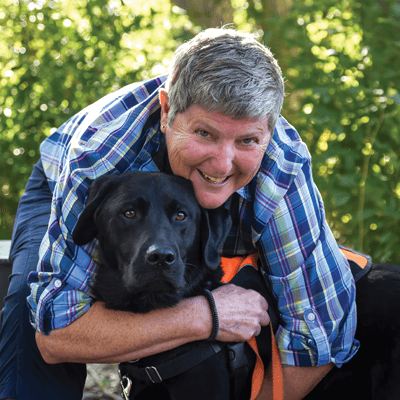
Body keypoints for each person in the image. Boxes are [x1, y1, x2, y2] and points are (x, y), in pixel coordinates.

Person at [0, 27, 358, 400]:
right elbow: (55, 332)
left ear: (268, 132)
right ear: (168, 110)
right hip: (65, 183)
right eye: (205, 133)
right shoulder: (98, 157)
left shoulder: (281, 166)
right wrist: (205, 316)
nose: (222, 163)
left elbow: (320, 332)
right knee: (31, 308)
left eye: (247, 140)